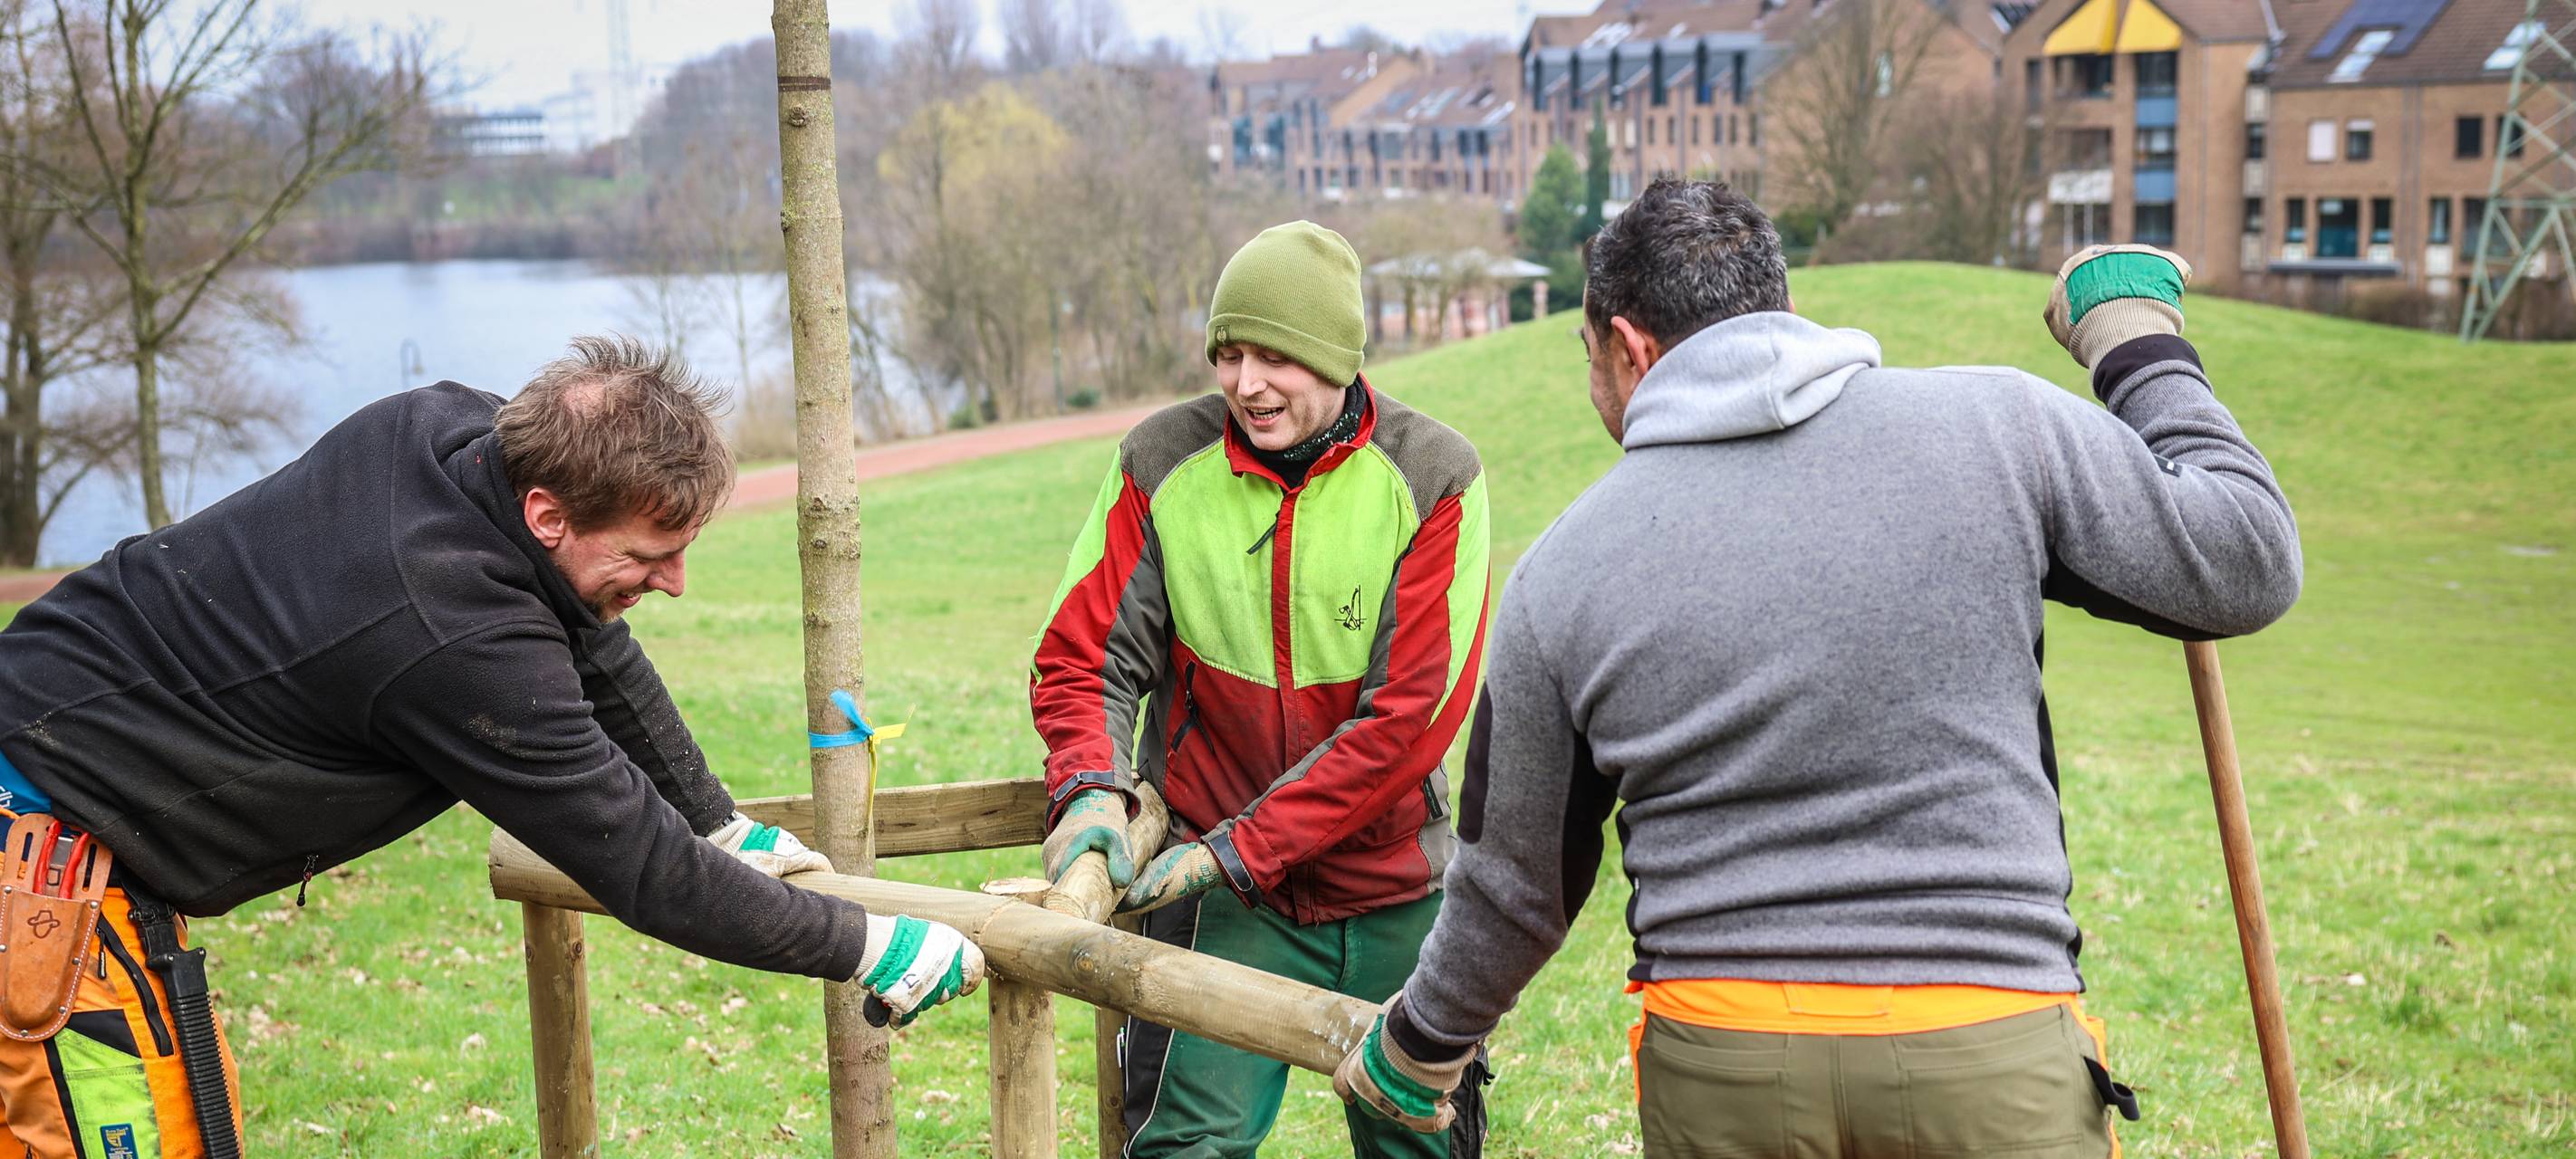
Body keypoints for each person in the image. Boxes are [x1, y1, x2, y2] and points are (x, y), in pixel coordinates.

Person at [1334, 179, 2302, 1156]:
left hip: (1729, 1067)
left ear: (1629, 348)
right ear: (1786, 311)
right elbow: (2246, 561)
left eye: (1589, 360)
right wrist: (2135, 344)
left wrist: (1418, 1044)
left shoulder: (1561, 572)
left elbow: (1515, 887)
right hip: (1986, 1045)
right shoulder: (2001, 430)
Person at [0, 337, 984, 1158]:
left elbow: (599, 642)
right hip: (40, 861)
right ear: (548, 514)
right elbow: (642, 868)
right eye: (649, 556)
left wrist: (717, 821)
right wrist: (867, 943)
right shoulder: (452, 633)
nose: (676, 580)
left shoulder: (460, 433)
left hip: (55, 767)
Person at [1031, 222, 1493, 1158]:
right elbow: (1085, 657)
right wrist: (1088, 789)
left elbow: (1406, 726)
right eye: (1230, 353)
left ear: (1336, 357)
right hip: (1225, 908)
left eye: (1275, 355)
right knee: (1182, 1147)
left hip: (1392, 890)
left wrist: (1236, 849)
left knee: (1423, 1143)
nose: (1246, 383)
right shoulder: (1160, 462)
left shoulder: (1436, 477)